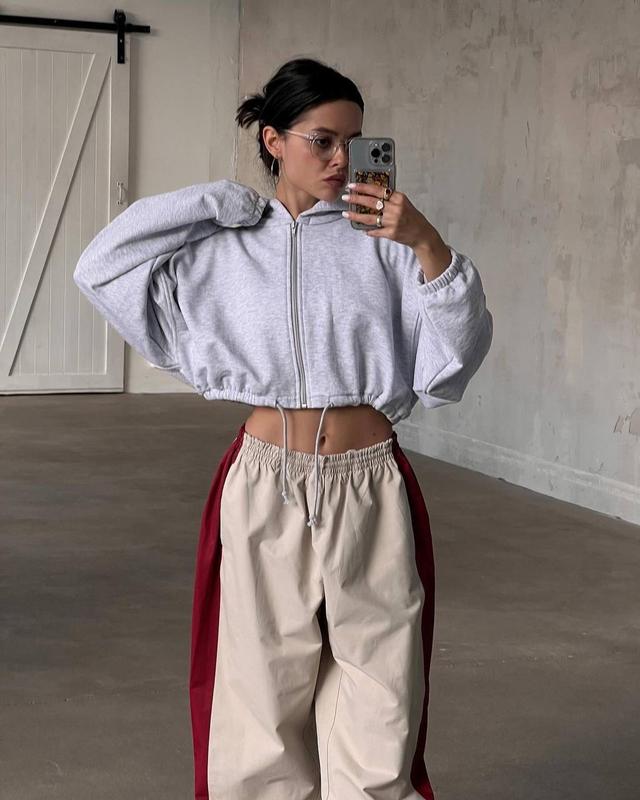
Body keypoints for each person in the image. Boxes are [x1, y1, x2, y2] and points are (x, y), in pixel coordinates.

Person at [73, 57, 493, 800]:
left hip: (367, 482)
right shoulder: (224, 244)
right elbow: (100, 267)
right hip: (265, 479)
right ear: (273, 140)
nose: (340, 161)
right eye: (321, 141)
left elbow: (450, 366)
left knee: (383, 690)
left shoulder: (386, 240)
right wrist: (213, 203)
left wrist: (427, 242)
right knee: (259, 693)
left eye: (353, 143)